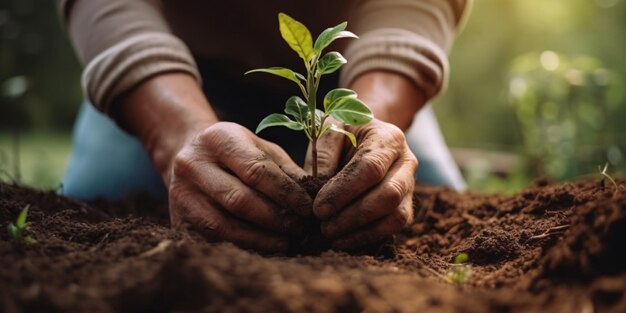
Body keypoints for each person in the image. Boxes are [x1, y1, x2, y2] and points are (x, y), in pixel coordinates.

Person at [57, 0, 469, 252]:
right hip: (170, 73)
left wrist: (371, 113)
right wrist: (175, 135)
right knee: (96, 198)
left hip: (353, 80)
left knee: (431, 194)